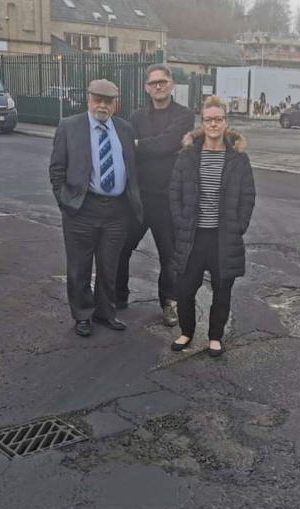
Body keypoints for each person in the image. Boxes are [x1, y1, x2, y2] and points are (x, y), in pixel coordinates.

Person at [49, 79, 143, 337]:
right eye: (98, 99)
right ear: (88, 100)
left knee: (109, 266)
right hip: (82, 208)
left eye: (108, 101)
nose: (102, 105)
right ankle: (83, 315)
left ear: (115, 103)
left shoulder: (124, 129)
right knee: (79, 267)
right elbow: (57, 169)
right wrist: (65, 202)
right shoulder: (69, 126)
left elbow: (131, 167)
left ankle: (105, 312)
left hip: (116, 211)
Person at [169, 96, 256, 357]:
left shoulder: (238, 159)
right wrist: (181, 221)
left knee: (222, 289)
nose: (214, 124)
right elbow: (174, 193)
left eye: (218, 119)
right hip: (193, 236)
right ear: (202, 122)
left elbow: (247, 196)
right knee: (184, 290)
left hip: (222, 236)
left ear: (226, 122)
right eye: (209, 119)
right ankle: (186, 332)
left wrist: (238, 225)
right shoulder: (188, 156)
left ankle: (215, 337)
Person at [116, 64, 194, 326]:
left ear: (171, 84)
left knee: (169, 255)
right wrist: (156, 146)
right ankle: (118, 296)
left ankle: (168, 303)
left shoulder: (183, 115)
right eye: (153, 83)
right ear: (146, 88)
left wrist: (139, 145)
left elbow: (169, 142)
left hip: (168, 198)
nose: (158, 86)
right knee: (121, 248)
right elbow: (134, 148)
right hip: (138, 197)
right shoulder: (136, 117)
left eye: (163, 81)